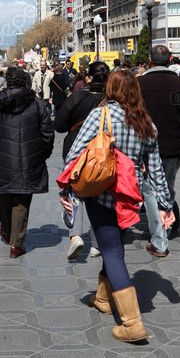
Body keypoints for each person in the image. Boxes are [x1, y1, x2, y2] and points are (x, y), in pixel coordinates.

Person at [60, 69, 175, 343]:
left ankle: (132, 323)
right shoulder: (146, 122)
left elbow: (76, 154)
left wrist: (65, 188)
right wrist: (165, 203)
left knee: (112, 251)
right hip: (129, 194)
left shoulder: (101, 115)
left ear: (110, 89)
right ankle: (103, 298)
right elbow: (156, 167)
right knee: (113, 243)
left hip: (101, 191)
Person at [0, 66, 54, 258]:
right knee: (22, 200)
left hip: (3, 159)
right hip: (30, 159)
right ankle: (17, 244)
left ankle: (6, 229)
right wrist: (42, 153)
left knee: (4, 195)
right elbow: (48, 132)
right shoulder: (36, 103)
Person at [138, 45, 180, 255]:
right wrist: (179, 127)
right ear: (170, 59)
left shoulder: (139, 84)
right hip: (172, 145)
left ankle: (160, 232)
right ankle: (165, 226)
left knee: (149, 189)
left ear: (149, 59)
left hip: (141, 146)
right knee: (166, 187)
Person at [54, 60, 109, 260]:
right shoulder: (110, 99)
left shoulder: (76, 97)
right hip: (102, 154)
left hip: (75, 150)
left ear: (88, 77)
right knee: (99, 195)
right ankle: (96, 243)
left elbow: (59, 125)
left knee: (73, 192)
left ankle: (75, 235)